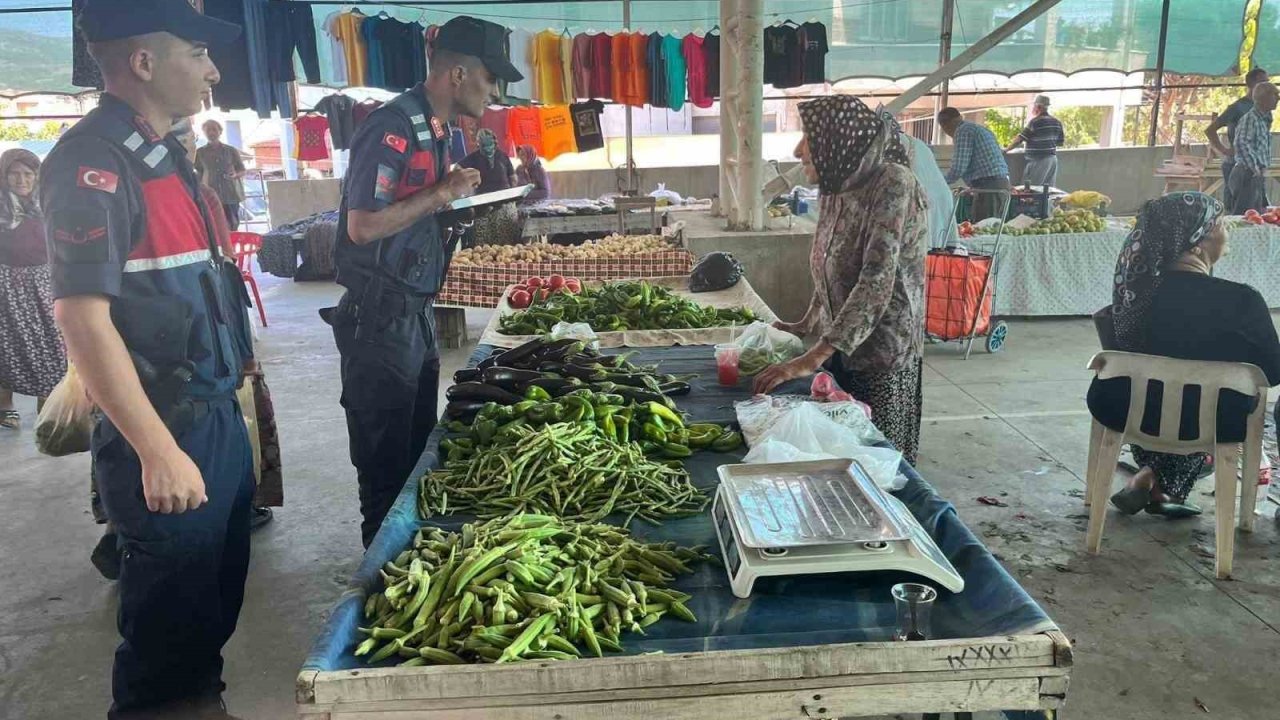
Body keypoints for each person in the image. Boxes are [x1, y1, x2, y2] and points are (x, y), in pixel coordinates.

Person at [39, 2, 255, 717]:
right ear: (143, 62)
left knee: (209, 610)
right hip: (164, 426)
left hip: (213, 416)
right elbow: (80, 315)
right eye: (198, 53)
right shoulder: (92, 162)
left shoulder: (163, 152)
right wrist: (157, 451)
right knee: (167, 640)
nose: (213, 71)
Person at [325, 15, 520, 548]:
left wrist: (452, 201)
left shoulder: (438, 130)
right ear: (458, 74)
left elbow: (410, 215)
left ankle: (404, 557)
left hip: (412, 314)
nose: (495, 91)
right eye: (490, 77)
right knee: (386, 465)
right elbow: (362, 227)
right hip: (380, 319)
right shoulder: (393, 126)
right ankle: (379, 583)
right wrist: (441, 194)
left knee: (416, 455)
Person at [754, 96, 928, 464]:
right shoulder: (837, 182)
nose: (799, 150)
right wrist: (807, 322)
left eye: (809, 139)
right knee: (838, 444)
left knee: (876, 455)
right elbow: (829, 260)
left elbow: (875, 279)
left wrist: (812, 356)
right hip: (838, 341)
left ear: (840, 141)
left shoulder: (892, 183)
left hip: (881, 350)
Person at [1088, 192, 1280, 518]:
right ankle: (1156, 483)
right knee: (1209, 406)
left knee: (1173, 403)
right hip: (1214, 423)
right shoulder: (1241, 301)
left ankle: (1152, 479)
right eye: (1220, 224)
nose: (1227, 231)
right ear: (1196, 243)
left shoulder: (1134, 297)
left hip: (1129, 412)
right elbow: (1274, 371)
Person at [0, 149, 67, 429]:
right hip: (7, 285)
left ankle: (47, 403)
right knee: (9, 347)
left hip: (44, 282)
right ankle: (4, 406)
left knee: (52, 345)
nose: (21, 179)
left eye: (28, 174)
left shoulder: (47, 203)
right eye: (14, 173)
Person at [1206, 67, 1268, 210]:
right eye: (1263, 82)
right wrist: (1225, 150)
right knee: (1237, 209)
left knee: (1259, 207)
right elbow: (1210, 130)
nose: (1267, 86)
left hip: (1256, 166)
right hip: (1237, 165)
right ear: (1252, 84)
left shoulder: (1264, 107)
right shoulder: (1237, 107)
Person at [937, 107, 1011, 222]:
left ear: (945, 126)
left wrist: (939, 183)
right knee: (992, 228)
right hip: (998, 184)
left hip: (989, 186)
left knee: (984, 230)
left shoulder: (963, 131)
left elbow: (958, 168)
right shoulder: (976, 128)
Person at [458, 128, 522, 246]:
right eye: (484, 146)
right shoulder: (473, 157)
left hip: (504, 207)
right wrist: (466, 186)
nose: (488, 149)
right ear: (479, 145)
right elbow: (457, 169)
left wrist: (513, 194)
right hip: (483, 208)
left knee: (506, 245)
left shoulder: (502, 156)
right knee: (484, 246)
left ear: (495, 143)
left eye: (490, 145)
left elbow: (512, 177)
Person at [1228, 81, 1279, 215]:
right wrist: (1255, 168)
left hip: (1254, 174)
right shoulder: (1251, 119)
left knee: (1258, 215)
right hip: (1247, 173)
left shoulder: (1262, 120)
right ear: (1264, 97)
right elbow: (1241, 143)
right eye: (1275, 94)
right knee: (1244, 219)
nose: (1278, 98)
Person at [194, 118, 248, 231]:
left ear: (220, 131)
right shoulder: (200, 153)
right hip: (210, 194)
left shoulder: (231, 150)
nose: (211, 133)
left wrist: (235, 174)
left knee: (233, 224)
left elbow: (242, 170)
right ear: (204, 132)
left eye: (214, 129)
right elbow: (199, 173)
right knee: (213, 226)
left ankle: (232, 246)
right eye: (208, 130)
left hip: (231, 193)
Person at [1005, 94, 1064, 188]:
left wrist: (1006, 150)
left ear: (1038, 107)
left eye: (1034, 106)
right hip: (1052, 160)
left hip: (1039, 161)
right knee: (1047, 191)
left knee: (1030, 190)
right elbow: (1059, 143)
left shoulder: (1035, 122)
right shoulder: (1057, 122)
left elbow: (1020, 139)